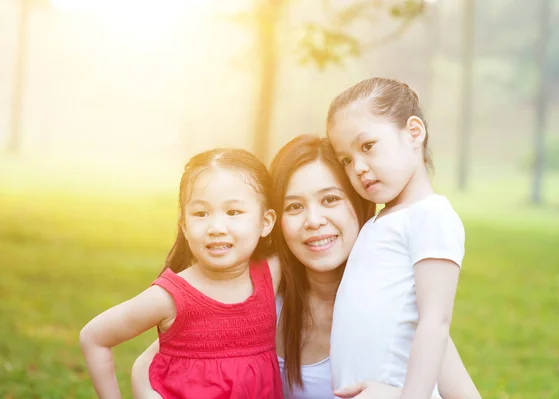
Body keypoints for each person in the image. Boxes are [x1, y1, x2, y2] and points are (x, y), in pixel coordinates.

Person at [131, 135, 479, 399]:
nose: (314, 221)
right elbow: (147, 365)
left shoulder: (395, 303)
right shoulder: (255, 293)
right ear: (272, 221)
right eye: (294, 207)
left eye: (330, 200)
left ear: (359, 206)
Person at [79, 149, 283, 399]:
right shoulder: (169, 297)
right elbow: (94, 337)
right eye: (200, 213)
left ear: (266, 222)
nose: (216, 228)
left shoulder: (270, 274)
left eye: (233, 212)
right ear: (185, 226)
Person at [327, 77, 474, 399]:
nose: (359, 168)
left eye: (368, 146)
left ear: (413, 133)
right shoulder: (377, 223)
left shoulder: (430, 215)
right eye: (346, 160)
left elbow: (435, 323)